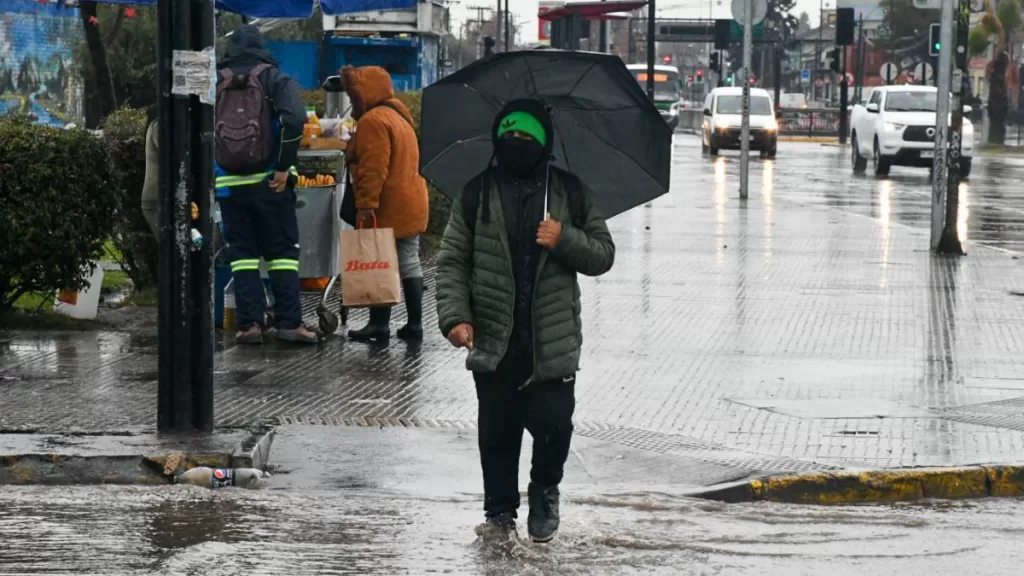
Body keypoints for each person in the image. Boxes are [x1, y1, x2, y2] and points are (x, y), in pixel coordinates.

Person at [435, 99, 616, 542]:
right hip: (494, 339)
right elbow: (453, 261)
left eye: (525, 137)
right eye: (508, 137)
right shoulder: (476, 193)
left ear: (543, 143)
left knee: (554, 428)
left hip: (550, 343)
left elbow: (603, 255)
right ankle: (499, 515)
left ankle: (544, 490)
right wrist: (455, 317)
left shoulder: (570, 193)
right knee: (497, 434)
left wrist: (564, 238)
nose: (516, 144)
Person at [214, 25, 317, 345]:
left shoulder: (216, 81)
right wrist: (284, 166)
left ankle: (250, 326)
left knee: (242, 255)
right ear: (261, 47)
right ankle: (289, 323)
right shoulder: (273, 78)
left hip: (229, 184)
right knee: (282, 253)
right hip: (270, 182)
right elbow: (294, 118)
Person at [341, 65, 429, 342]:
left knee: (380, 261)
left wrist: (366, 205)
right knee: (408, 261)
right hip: (411, 201)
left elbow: (373, 168)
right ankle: (414, 324)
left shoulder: (373, 121)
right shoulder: (398, 115)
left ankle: (378, 324)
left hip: (388, 204)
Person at [141, 105, 159, 241]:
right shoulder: (157, 127)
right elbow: (172, 153)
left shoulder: (154, 126)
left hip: (156, 197)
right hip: (156, 199)